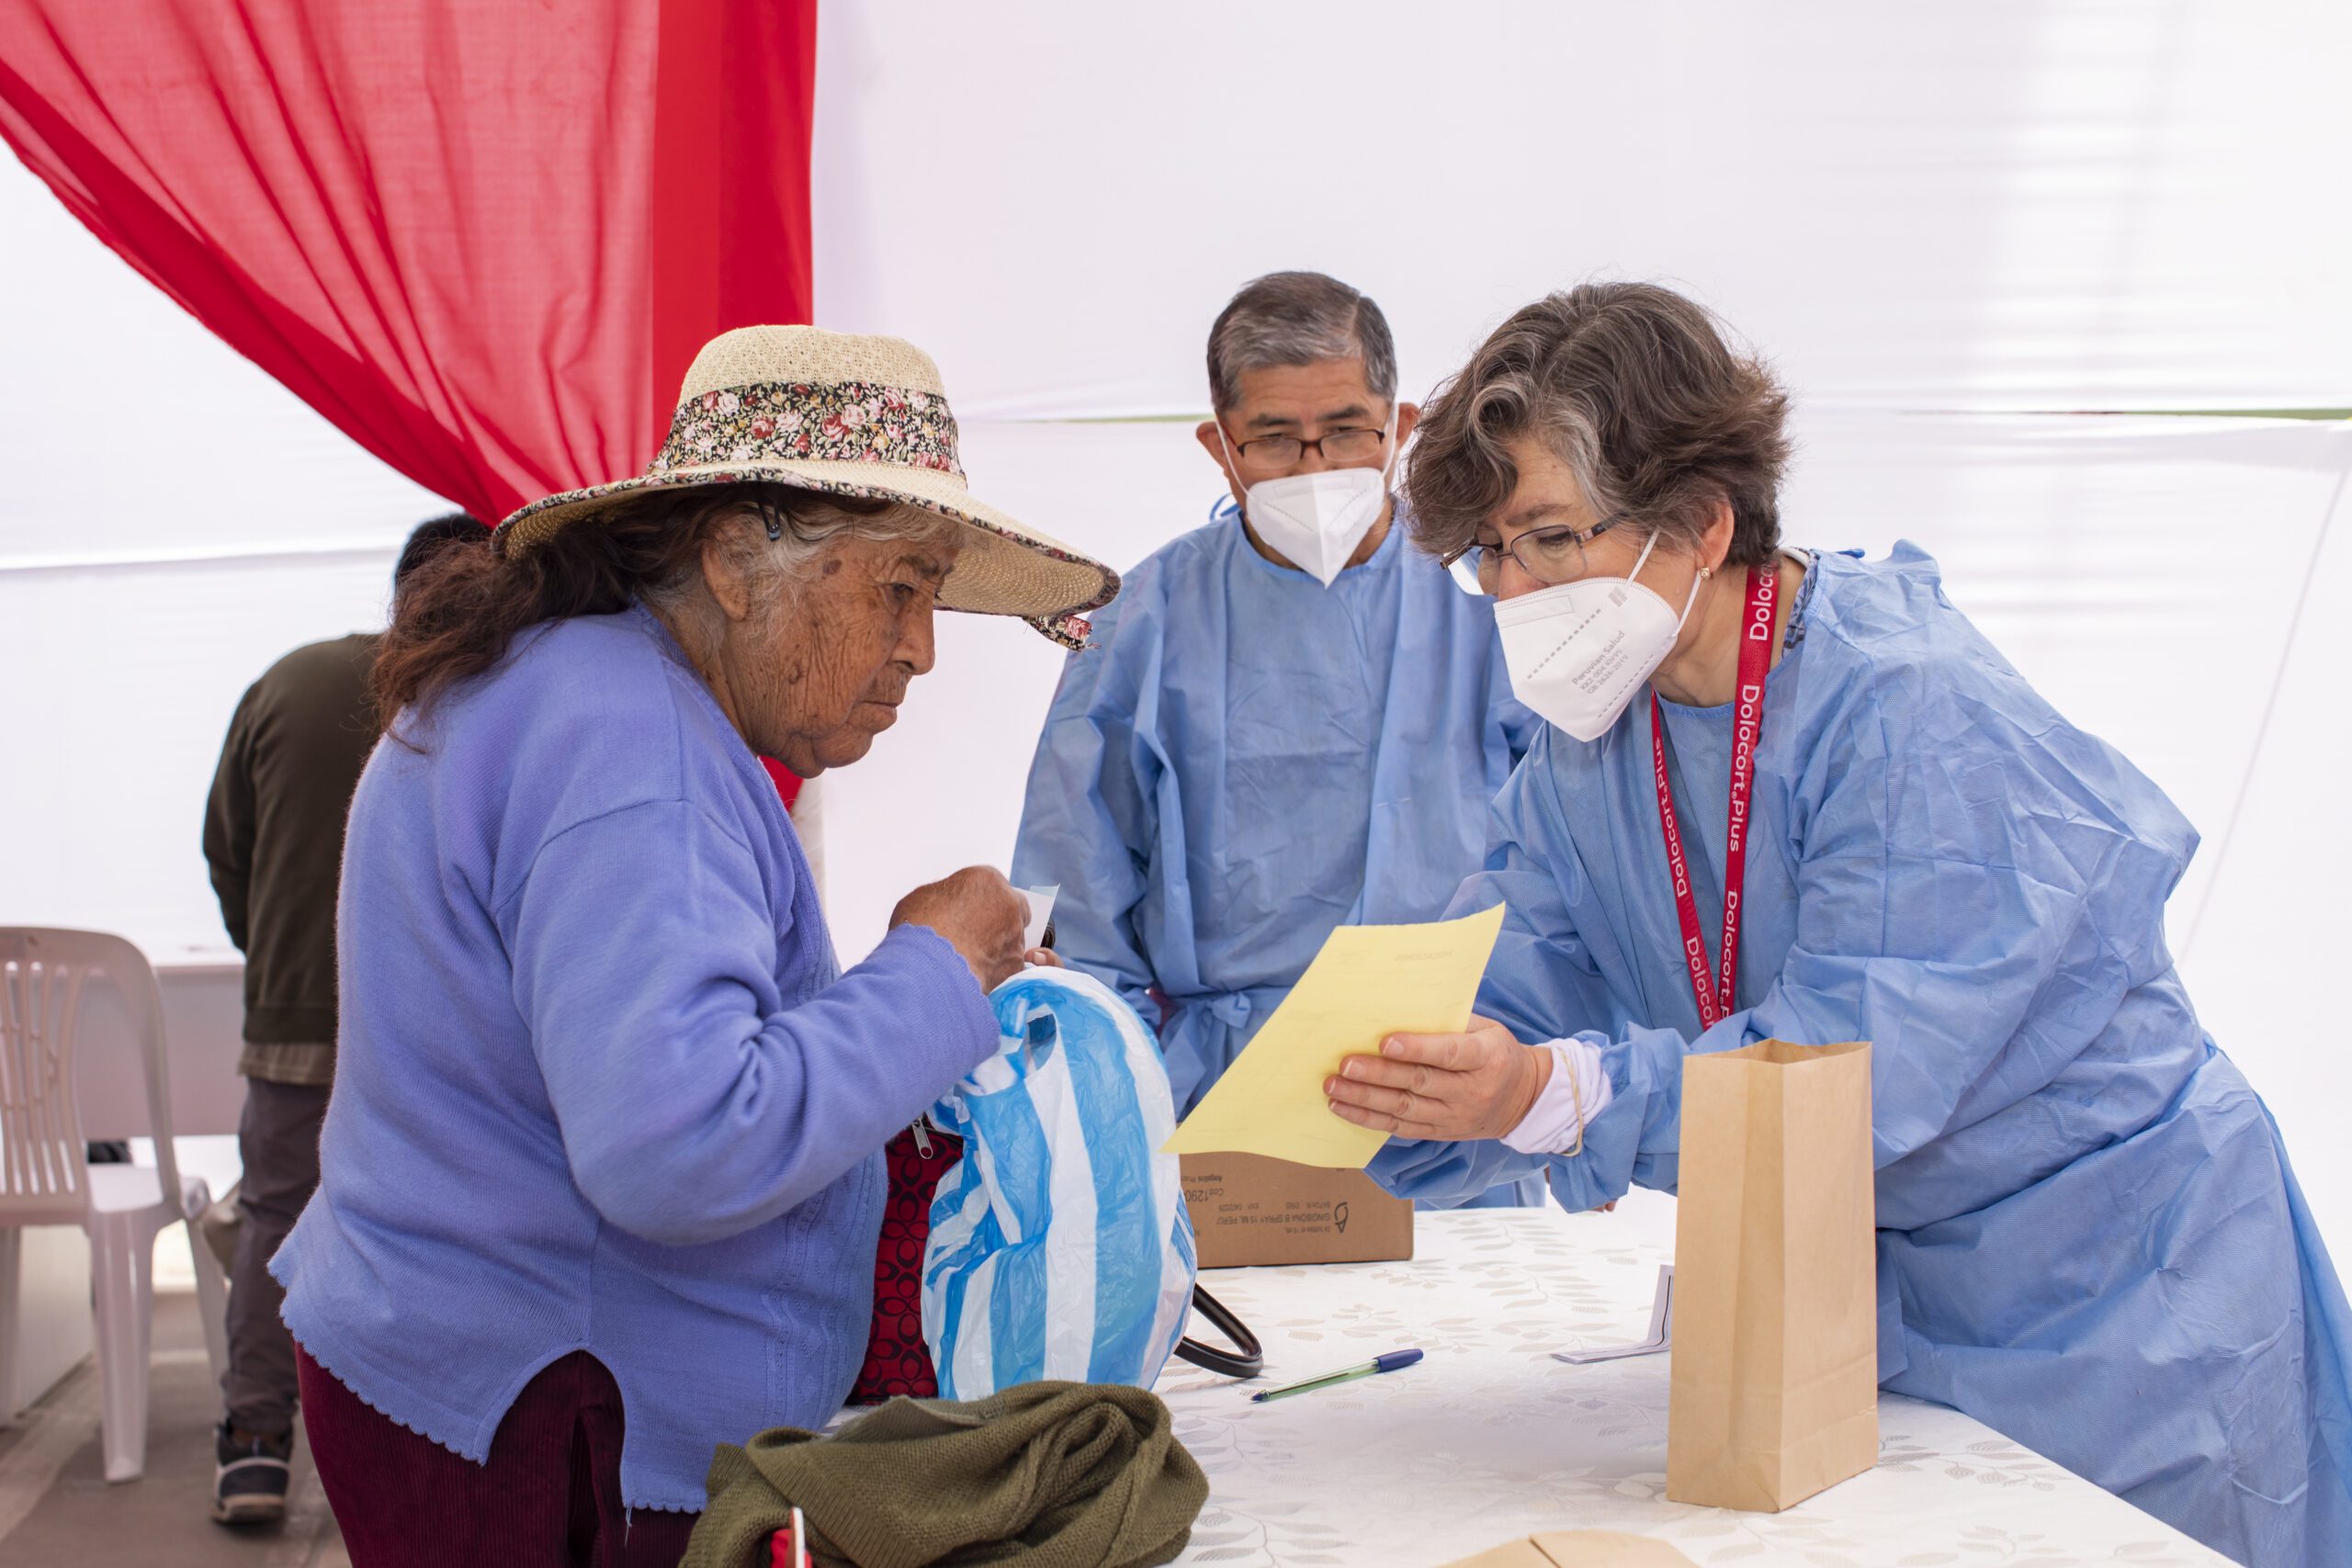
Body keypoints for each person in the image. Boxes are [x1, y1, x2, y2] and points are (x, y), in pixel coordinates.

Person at [1320, 282, 2352, 1567]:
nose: (1509, 586)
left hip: (2121, 1293)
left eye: (1543, 537)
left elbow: (1857, 1064)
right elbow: (1529, 988)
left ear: (1698, 520)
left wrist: (1564, 1093)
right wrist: (1434, 1073)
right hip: (1880, 1301)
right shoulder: (1593, 738)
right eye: (1486, 551)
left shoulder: (1906, 707)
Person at [270, 325, 1114, 1567]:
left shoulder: (580, 688)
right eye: (900, 585)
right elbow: (676, 1145)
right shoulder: (636, 747)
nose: (923, 647)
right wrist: (932, 964)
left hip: (476, 1369)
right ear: (732, 558)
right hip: (553, 1414)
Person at [1012, 273, 1538, 1204]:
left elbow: (1578, 862)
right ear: (1219, 445)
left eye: (1345, 432)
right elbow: (1077, 887)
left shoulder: (1494, 598)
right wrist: (1115, 1106)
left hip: (1456, 1093)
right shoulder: (1145, 621)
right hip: (1220, 1100)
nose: (1311, 468)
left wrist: (1565, 1076)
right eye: (1272, 440)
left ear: (1401, 424)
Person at [200, 510, 485, 1525]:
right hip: (440, 1035)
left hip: (295, 1014)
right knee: (439, 1238)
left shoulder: (289, 681)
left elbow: (226, 848)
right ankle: (427, 1457)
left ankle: (255, 1448)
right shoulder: (484, 701)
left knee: (274, 1219)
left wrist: (279, 962)